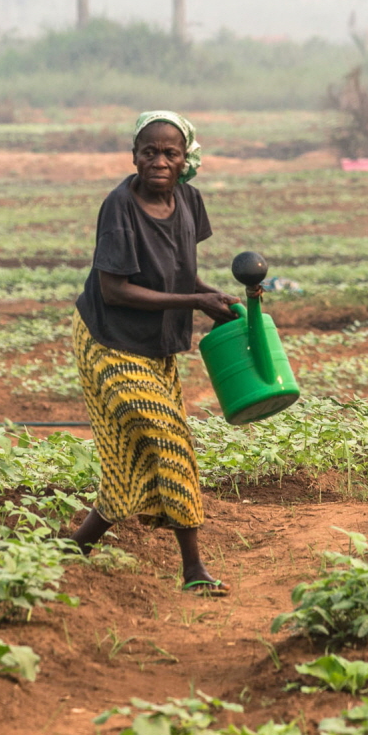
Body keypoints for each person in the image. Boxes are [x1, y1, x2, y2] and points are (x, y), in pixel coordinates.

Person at [66, 112, 233, 596]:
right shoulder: (119, 206)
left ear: (186, 159)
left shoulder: (189, 201)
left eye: (170, 153)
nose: (159, 161)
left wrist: (212, 297)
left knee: (129, 457)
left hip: (154, 345)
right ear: (134, 156)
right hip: (108, 341)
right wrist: (193, 303)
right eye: (149, 152)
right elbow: (114, 290)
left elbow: (181, 271)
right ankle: (193, 570)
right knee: (168, 437)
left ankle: (77, 546)